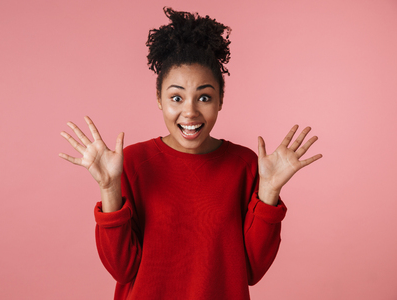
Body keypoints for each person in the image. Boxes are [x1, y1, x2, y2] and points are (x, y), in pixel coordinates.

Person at [59, 7, 322, 300]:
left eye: (204, 97)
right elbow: (122, 270)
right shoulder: (132, 163)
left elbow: (252, 271)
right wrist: (109, 188)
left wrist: (269, 191)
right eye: (176, 97)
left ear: (220, 100)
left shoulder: (246, 165)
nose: (190, 111)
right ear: (159, 100)